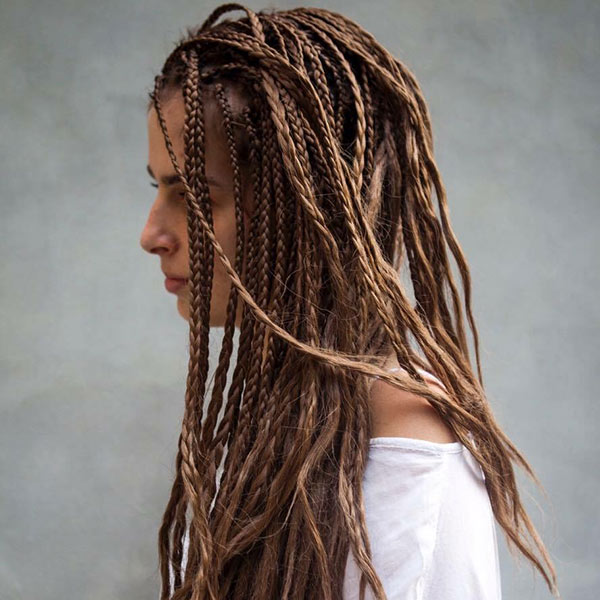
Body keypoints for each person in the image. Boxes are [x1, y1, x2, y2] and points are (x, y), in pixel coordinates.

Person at [140, 4, 559, 599]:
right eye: (157, 188)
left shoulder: (409, 444)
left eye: (192, 195)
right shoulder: (262, 420)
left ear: (303, 207)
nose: (151, 234)